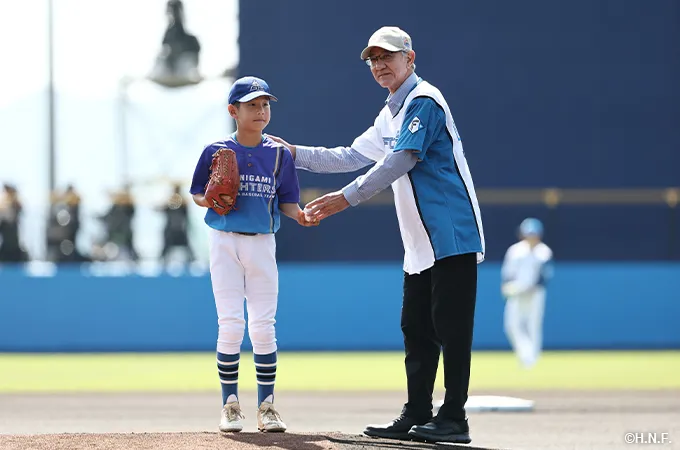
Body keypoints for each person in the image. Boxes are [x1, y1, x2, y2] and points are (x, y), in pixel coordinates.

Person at [267, 26, 485, 444]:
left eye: (388, 56)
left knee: (451, 328)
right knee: (416, 329)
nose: (380, 64)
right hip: (420, 242)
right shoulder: (390, 113)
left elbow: (402, 158)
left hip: (451, 232)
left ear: (410, 58)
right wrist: (294, 153)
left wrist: (346, 198)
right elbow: (349, 155)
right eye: (373, 59)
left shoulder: (424, 101)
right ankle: (418, 411)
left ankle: (454, 418)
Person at [189, 76, 318, 434]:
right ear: (233, 111)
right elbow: (197, 192)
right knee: (230, 323)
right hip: (223, 240)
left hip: (262, 242)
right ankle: (230, 405)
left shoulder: (278, 154)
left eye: (265, 105)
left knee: (263, 325)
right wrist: (207, 199)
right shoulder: (215, 150)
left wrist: (300, 215)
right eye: (252, 105)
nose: (261, 111)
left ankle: (267, 406)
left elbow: (287, 201)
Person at [501, 218, 553, 369]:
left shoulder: (544, 252)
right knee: (511, 325)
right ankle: (525, 354)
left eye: (533, 234)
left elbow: (545, 276)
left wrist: (532, 288)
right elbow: (508, 274)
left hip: (535, 293)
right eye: (528, 233)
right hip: (517, 292)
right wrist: (507, 287)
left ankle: (532, 359)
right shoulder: (515, 251)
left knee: (533, 325)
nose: (531, 237)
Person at [158, 183, 194, 264]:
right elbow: (161, 209)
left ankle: (191, 261)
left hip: (179, 229)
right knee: (165, 250)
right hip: (172, 229)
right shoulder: (170, 203)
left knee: (188, 251)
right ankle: (162, 262)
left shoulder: (183, 203)